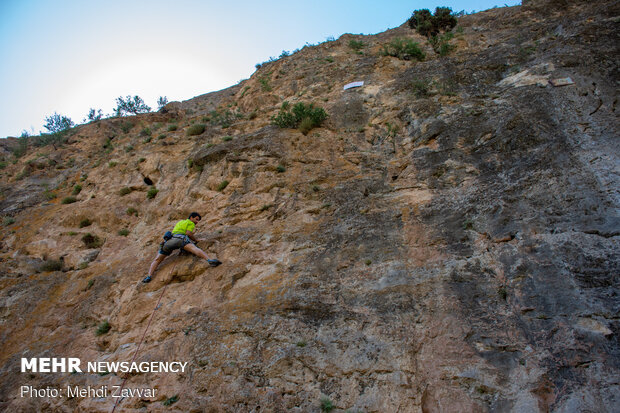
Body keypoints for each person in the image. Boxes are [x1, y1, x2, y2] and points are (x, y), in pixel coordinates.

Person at [143, 212, 221, 283]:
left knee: (157, 259)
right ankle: (209, 260)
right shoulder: (190, 223)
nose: (197, 222)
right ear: (191, 218)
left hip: (169, 242)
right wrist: (196, 240)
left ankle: (149, 276)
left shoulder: (180, 222)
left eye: (198, 221)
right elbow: (188, 233)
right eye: (196, 219)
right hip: (180, 239)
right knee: (194, 249)